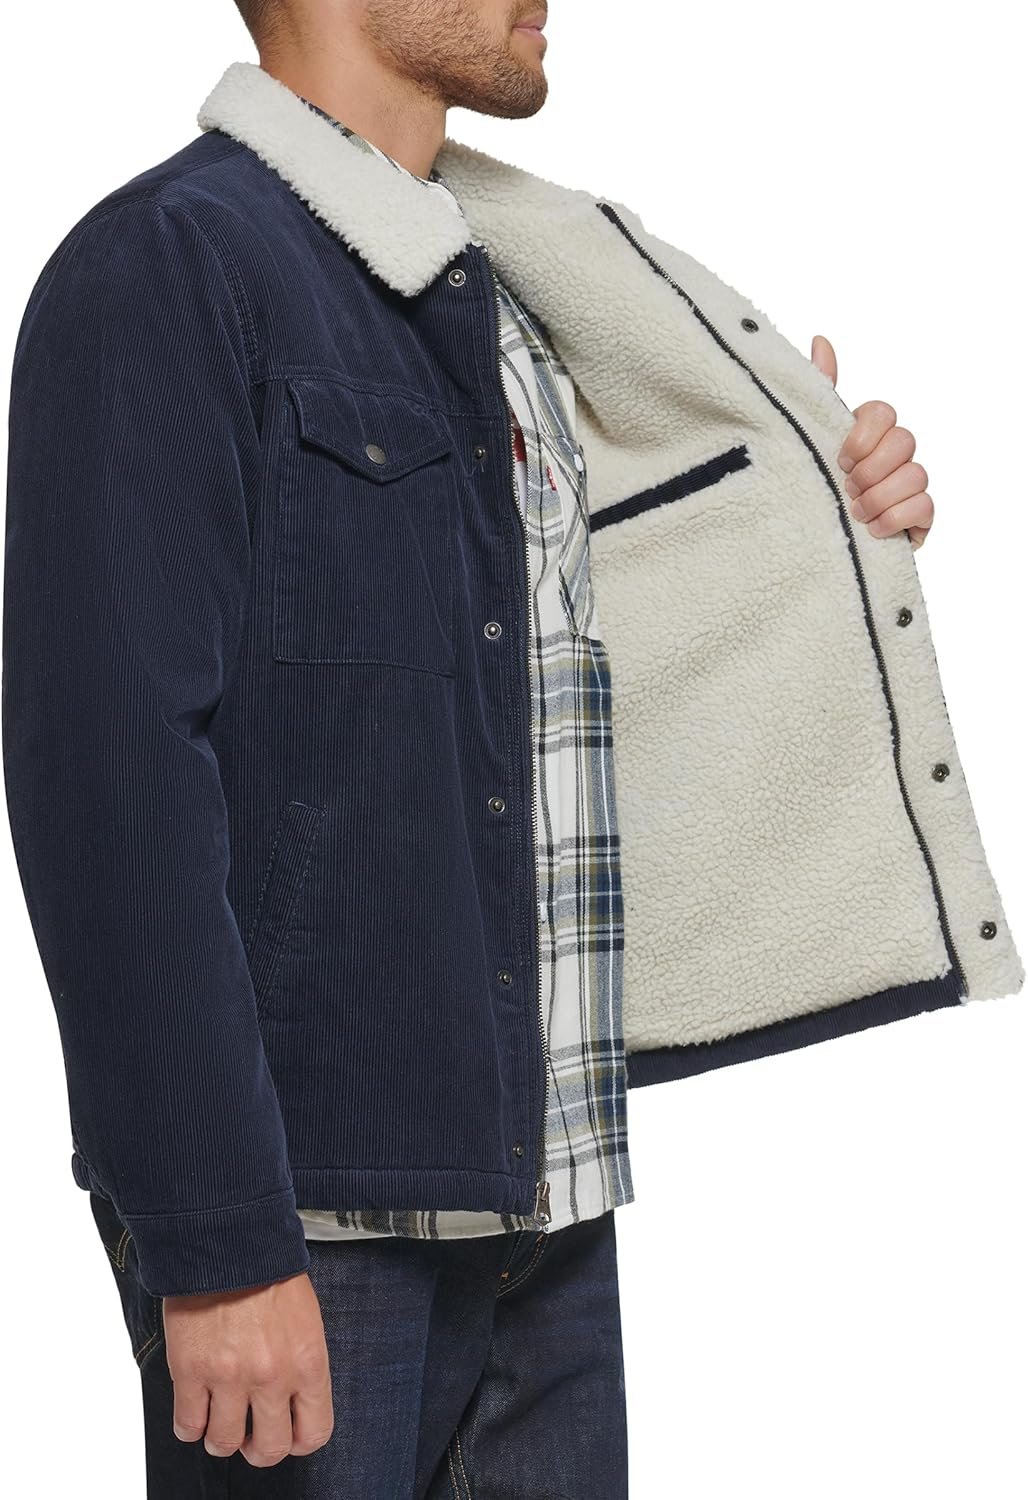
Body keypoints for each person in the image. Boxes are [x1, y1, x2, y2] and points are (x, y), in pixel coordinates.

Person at [3, 2, 1022, 1495]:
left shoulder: (508, 291)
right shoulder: (166, 263)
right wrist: (214, 1240)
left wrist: (822, 514)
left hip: (546, 1199)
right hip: (314, 1224)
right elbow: (109, 780)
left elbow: (542, 669)